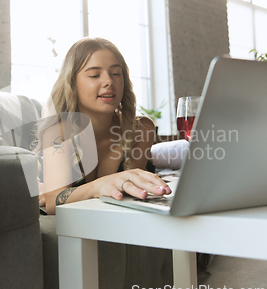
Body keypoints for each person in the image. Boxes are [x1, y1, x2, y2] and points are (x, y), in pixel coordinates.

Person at [35, 37, 171, 215]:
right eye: (94, 75)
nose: (109, 81)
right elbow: (53, 202)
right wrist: (98, 186)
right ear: (72, 84)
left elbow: (128, 192)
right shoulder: (58, 131)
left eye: (116, 73)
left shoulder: (142, 129)